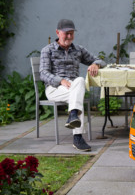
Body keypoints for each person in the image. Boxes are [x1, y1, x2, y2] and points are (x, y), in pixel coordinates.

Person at [40, 19, 106, 151]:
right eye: (66, 33)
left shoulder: (78, 49)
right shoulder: (48, 50)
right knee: (78, 95)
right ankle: (77, 137)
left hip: (74, 88)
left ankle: (74, 116)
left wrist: (95, 64)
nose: (69, 37)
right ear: (58, 33)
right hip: (54, 89)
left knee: (80, 81)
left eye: (72, 33)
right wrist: (60, 81)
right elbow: (43, 73)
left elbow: (101, 61)